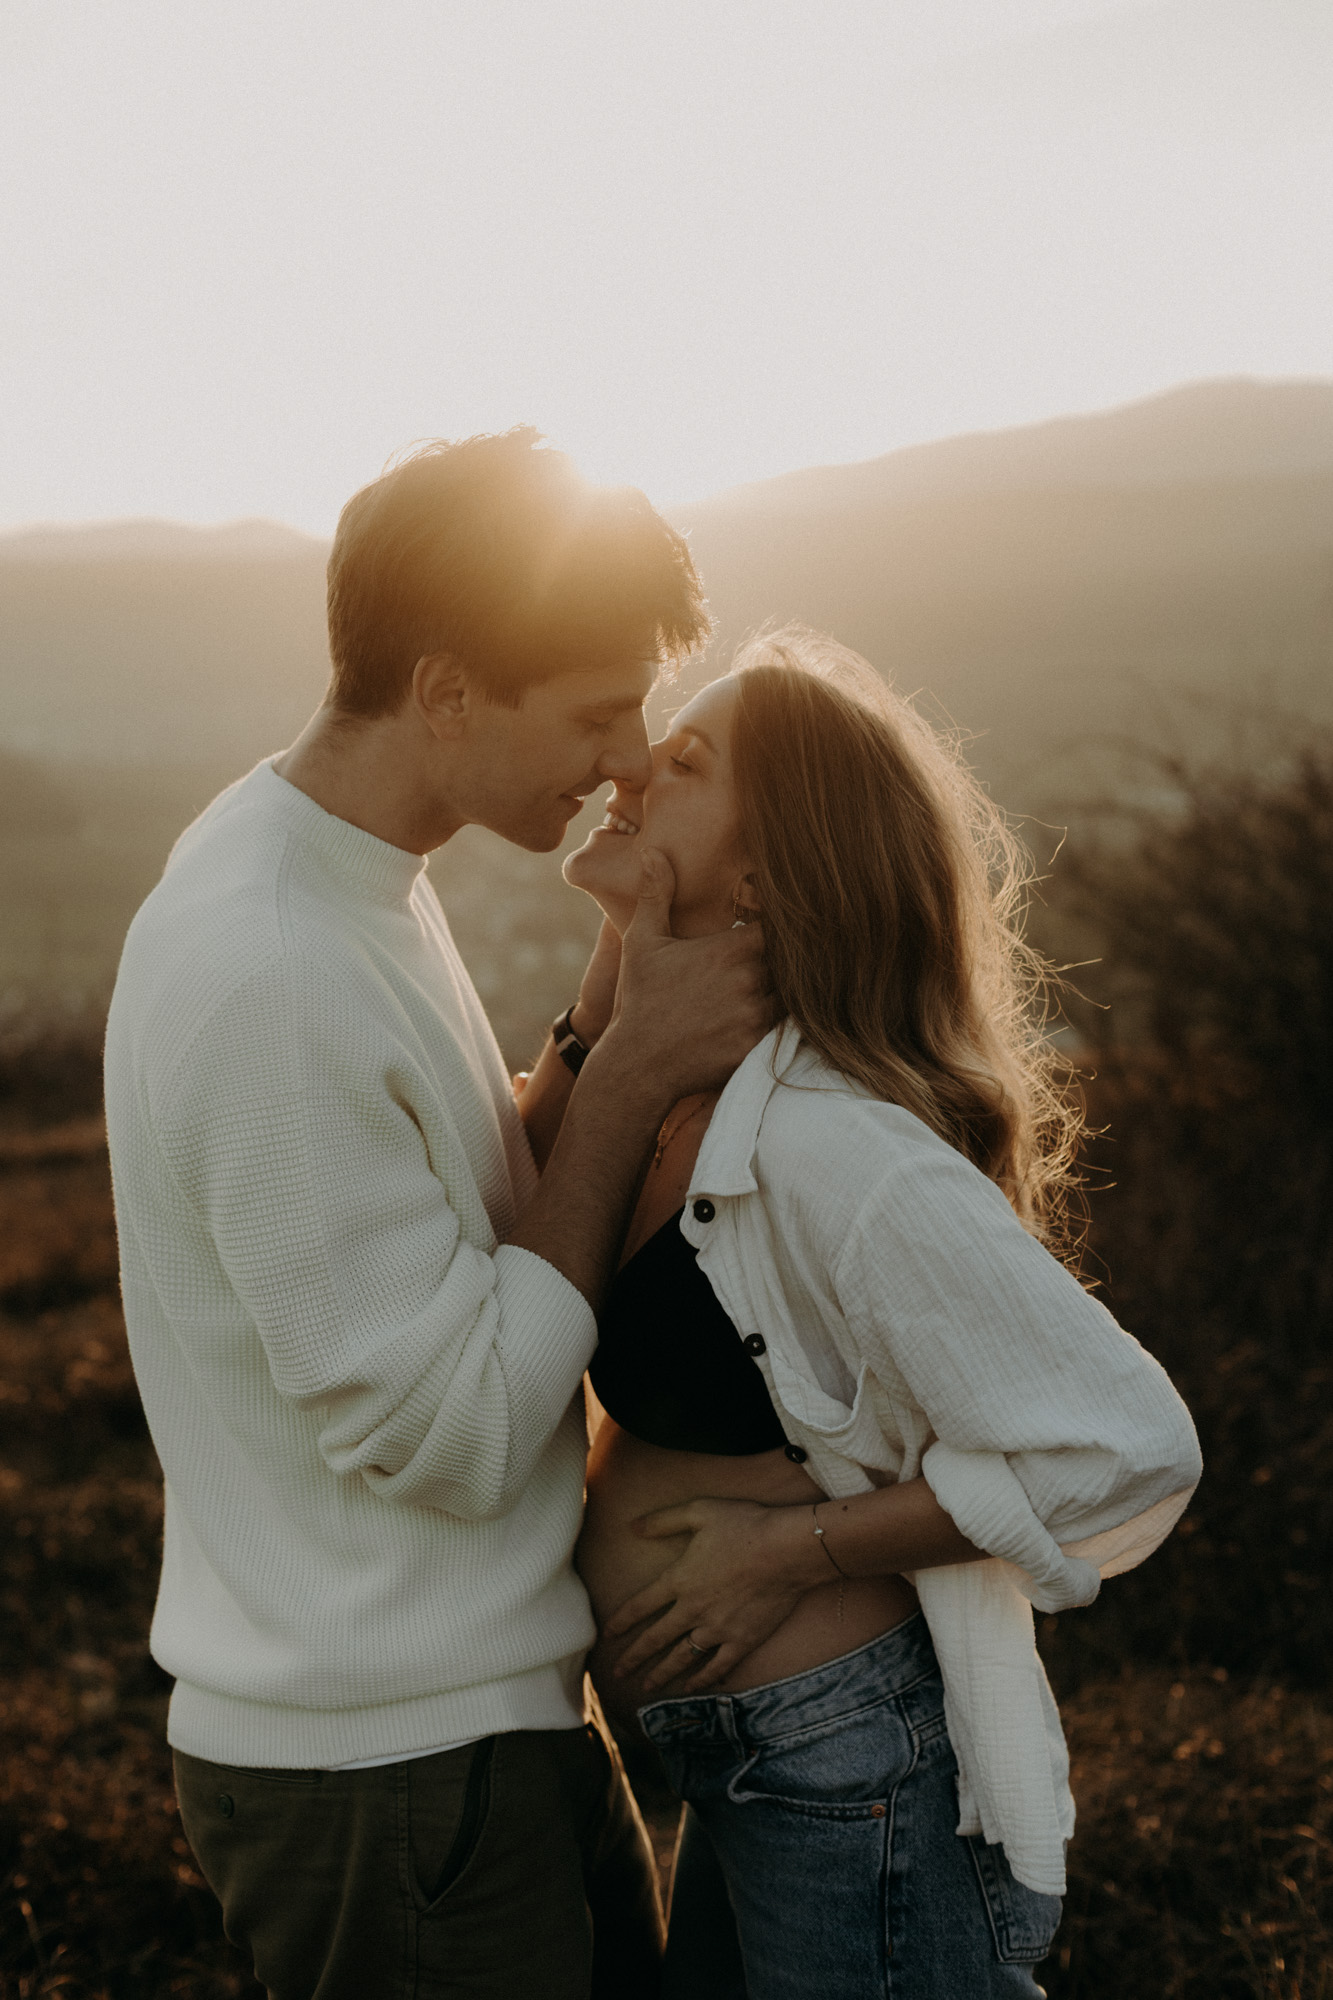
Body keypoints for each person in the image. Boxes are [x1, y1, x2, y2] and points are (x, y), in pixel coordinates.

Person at [102, 429, 772, 2000]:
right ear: (450, 692)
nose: (626, 760)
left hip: (476, 1723)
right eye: (597, 712)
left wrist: (600, 1032)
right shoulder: (271, 966)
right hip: (388, 1776)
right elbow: (455, 1432)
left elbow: (467, 1241)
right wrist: (630, 1089)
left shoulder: (346, 875)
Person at [562, 629, 1203, 2000]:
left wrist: (789, 1553)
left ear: (765, 871)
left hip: (838, 1761)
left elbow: (1130, 1444)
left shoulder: (829, 1141)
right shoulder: (672, 1094)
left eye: (681, 765)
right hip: (745, 1759)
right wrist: (614, 978)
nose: (627, 775)